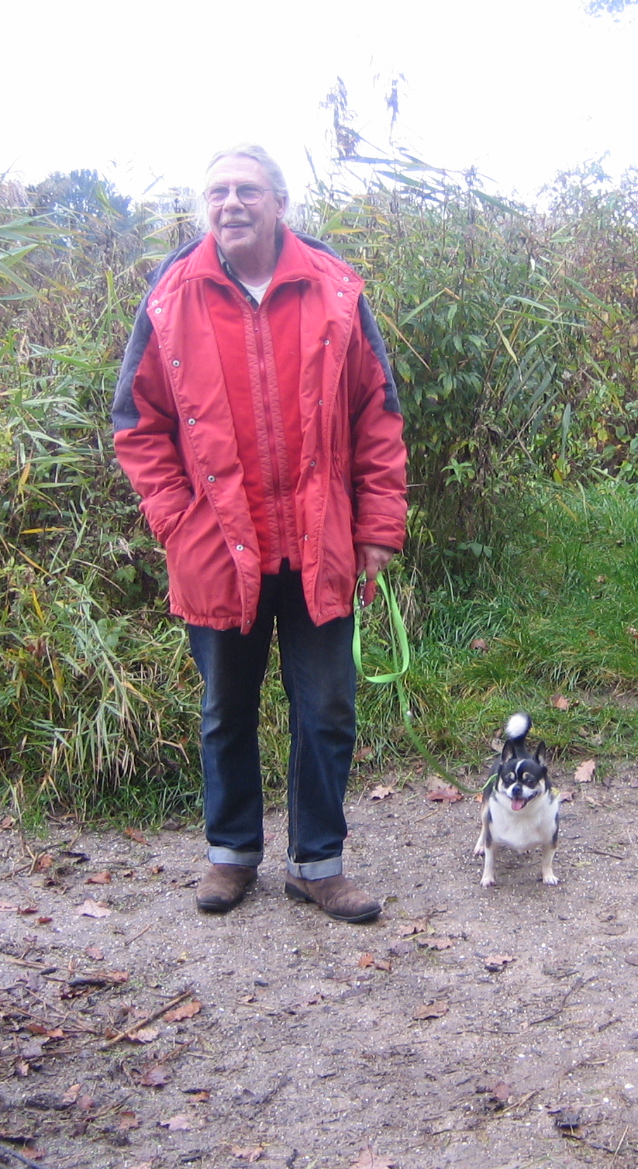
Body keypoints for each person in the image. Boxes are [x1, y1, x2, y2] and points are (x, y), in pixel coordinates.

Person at [111, 145, 407, 922]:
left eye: (247, 190)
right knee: (225, 709)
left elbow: (377, 412)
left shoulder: (335, 289)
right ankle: (231, 856)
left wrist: (378, 525)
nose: (231, 204)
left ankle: (317, 865)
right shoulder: (172, 296)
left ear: (279, 202)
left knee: (327, 709)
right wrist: (176, 520)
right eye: (217, 192)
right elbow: (137, 424)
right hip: (215, 547)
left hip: (320, 542)